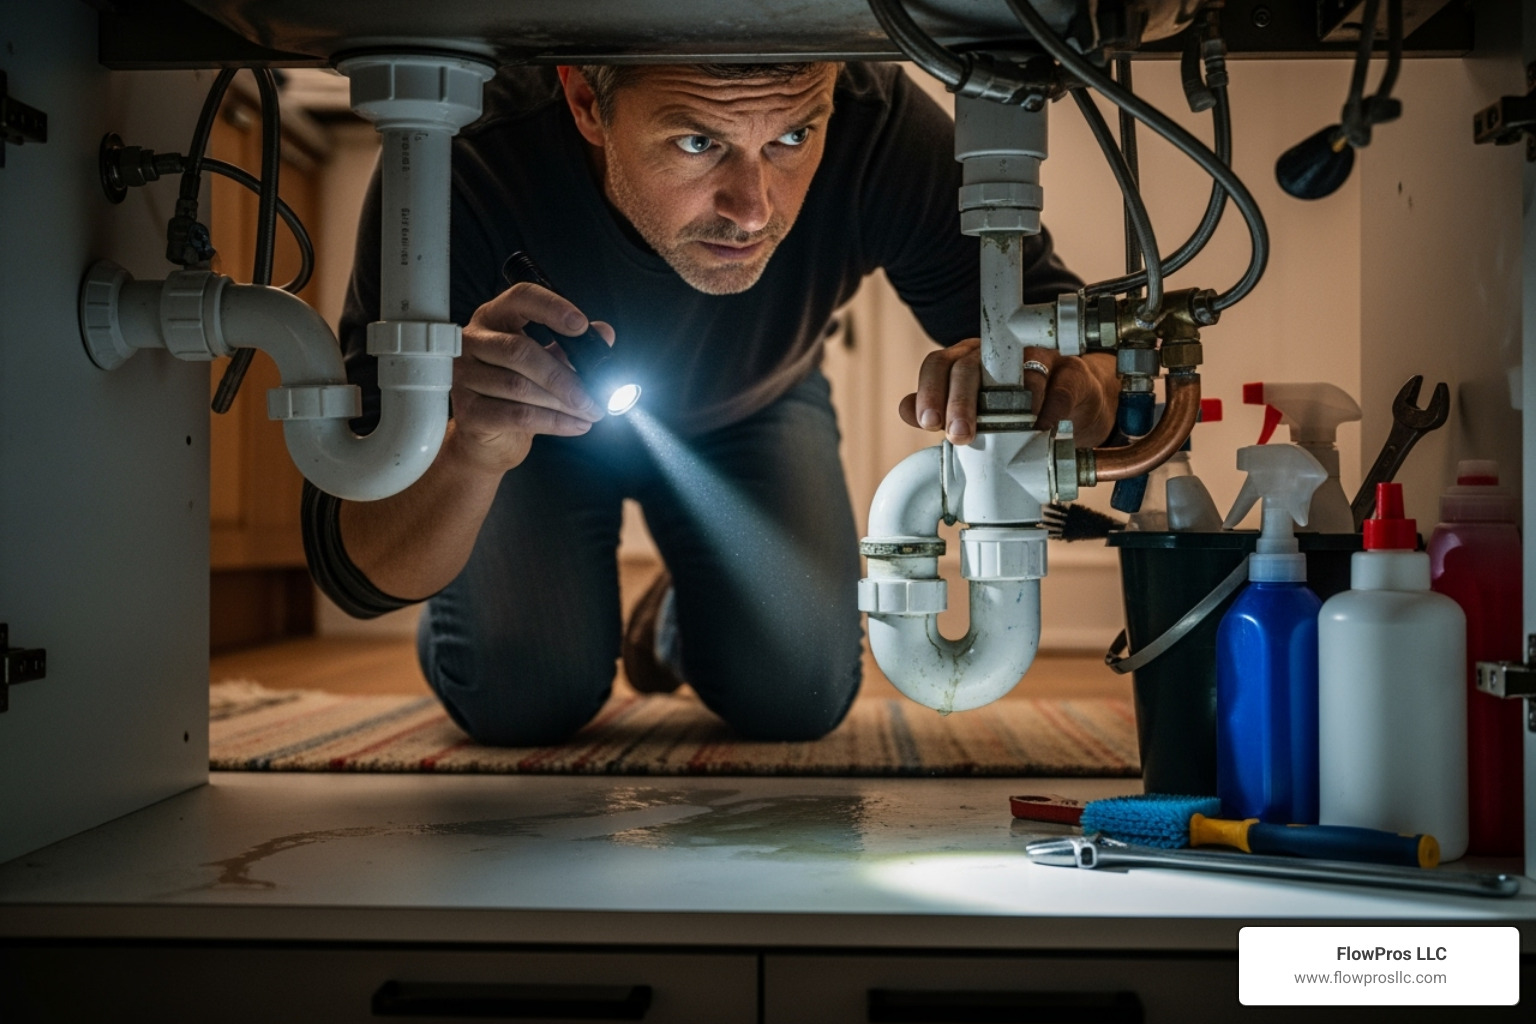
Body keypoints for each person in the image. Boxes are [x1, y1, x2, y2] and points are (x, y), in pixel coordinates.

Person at [303, 61, 1118, 746]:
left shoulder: (874, 125)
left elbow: (1084, 355)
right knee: (519, 699)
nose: (754, 208)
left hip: (758, 401)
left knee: (795, 695)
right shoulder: (460, 153)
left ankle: (683, 614)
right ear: (586, 101)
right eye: (698, 142)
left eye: (792, 138)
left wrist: (1057, 383)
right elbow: (358, 569)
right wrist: (468, 450)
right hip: (519, 434)